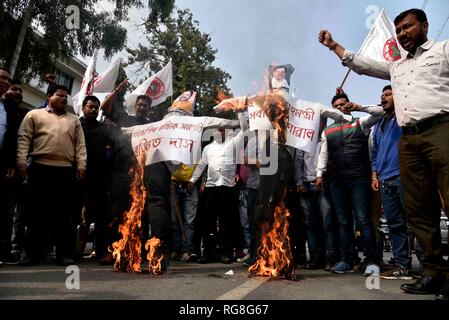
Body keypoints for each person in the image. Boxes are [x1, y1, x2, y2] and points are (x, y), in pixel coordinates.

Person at [319, 8, 449, 300]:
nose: (402, 33)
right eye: (399, 29)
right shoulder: (396, 67)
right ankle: (434, 274)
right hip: (410, 141)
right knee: (418, 210)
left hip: (442, 131)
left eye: (408, 27)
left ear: (425, 26)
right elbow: (364, 65)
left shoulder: (442, 51)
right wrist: (334, 46)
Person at [17, 84, 87, 266]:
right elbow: (24, 138)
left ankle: (62, 255)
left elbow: (80, 145)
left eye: (66, 96)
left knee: (63, 216)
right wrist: (21, 161)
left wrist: (81, 164)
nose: (64, 99)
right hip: (39, 169)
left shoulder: (74, 120)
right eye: (60, 95)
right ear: (49, 97)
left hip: (65, 171)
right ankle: (33, 254)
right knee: (35, 214)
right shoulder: (34, 115)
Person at [316, 91, 383, 275]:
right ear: (332, 109)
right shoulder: (327, 131)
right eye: (336, 106)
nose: (340, 108)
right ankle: (347, 260)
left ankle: (372, 261)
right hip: (336, 180)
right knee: (344, 222)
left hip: (359, 178)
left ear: (349, 105)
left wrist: (359, 107)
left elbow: (380, 112)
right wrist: (320, 174)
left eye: (343, 104)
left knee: (363, 219)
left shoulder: (360, 123)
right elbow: (324, 154)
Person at [371, 85, 412, 280]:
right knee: (395, 224)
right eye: (382, 95)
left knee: (416, 221)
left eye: (388, 94)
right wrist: (374, 174)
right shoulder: (378, 126)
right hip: (385, 180)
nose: (383, 97)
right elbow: (375, 152)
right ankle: (402, 265)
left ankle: (430, 266)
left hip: (404, 176)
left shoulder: (403, 118)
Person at [76, 95, 113, 262]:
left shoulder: (103, 128)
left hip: (100, 180)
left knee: (101, 218)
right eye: (90, 106)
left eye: (96, 107)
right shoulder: (76, 125)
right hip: (80, 178)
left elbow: (116, 140)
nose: (93, 110)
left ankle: (100, 252)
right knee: (81, 218)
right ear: (83, 108)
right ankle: (76, 251)